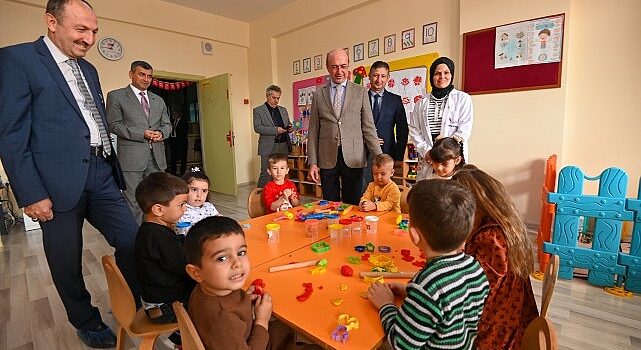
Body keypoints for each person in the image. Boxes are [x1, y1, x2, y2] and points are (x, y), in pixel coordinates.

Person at [0, 0, 139, 347]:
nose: (89, 38)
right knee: (65, 259)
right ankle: (86, 320)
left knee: (132, 239)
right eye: (81, 29)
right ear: (51, 21)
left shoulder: (89, 70)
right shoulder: (17, 60)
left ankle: (135, 302)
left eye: (94, 30)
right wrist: (30, 193)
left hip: (101, 171)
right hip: (53, 181)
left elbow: (90, 120)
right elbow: (11, 133)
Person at [366, 180, 490, 349]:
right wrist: (410, 294)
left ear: (414, 236)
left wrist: (385, 304)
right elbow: (449, 309)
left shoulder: (427, 285)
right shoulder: (475, 267)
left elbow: (401, 343)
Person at [452, 165, 538, 349]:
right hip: (505, 316)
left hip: (496, 327)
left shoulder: (491, 238)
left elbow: (475, 290)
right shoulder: (497, 226)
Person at [184, 216, 272, 349]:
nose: (237, 263)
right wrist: (262, 321)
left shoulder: (209, 288)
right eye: (222, 258)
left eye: (241, 252)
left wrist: (244, 299)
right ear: (196, 273)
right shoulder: (222, 319)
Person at [307, 48, 382, 205]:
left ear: (348, 66)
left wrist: (379, 157)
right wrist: (313, 162)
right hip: (327, 156)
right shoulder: (318, 95)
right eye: (334, 66)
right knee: (329, 203)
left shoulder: (360, 92)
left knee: (354, 202)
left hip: (354, 156)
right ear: (328, 68)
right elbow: (313, 131)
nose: (339, 71)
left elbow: (368, 127)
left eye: (343, 66)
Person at [106, 60, 172, 222]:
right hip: (131, 158)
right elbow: (113, 125)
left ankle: (155, 233)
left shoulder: (158, 100)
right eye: (142, 74)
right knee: (134, 200)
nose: (146, 79)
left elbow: (167, 125)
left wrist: (160, 133)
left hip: (157, 157)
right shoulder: (116, 96)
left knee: (158, 198)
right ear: (131, 74)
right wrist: (142, 133)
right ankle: (135, 239)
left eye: (149, 76)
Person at [134, 172, 195, 322]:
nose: (185, 209)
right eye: (181, 205)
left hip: (158, 302)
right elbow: (186, 266)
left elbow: (176, 244)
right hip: (166, 308)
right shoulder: (156, 237)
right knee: (214, 296)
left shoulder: (151, 230)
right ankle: (184, 337)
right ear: (159, 210)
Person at [408, 56, 473, 180]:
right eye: (437, 73)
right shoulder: (421, 103)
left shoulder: (462, 98)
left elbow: (465, 128)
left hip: (451, 156)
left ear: (452, 74)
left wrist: (445, 151)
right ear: (432, 77)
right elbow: (414, 130)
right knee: (428, 192)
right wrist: (427, 152)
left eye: (446, 73)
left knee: (453, 192)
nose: (442, 77)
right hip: (428, 156)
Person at [363, 61, 408, 190]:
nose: (379, 80)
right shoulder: (360, 98)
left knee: (385, 191)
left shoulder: (395, 100)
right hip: (363, 153)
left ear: (388, 77)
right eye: (375, 75)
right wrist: (368, 139)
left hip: (387, 152)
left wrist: (398, 157)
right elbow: (352, 126)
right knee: (365, 190)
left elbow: (402, 130)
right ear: (369, 76)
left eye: (383, 76)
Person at [253, 85, 293, 188]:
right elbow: (258, 128)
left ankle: (283, 197)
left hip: (283, 145)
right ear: (267, 96)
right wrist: (276, 130)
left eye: (278, 98)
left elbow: (287, 123)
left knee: (282, 174)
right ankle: (258, 199)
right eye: (274, 98)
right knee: (266, 174)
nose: (276, 101)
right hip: (268, 147)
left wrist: (290, 128)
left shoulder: (283, 110)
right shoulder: (258, 110)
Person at [168, 109, 189, 176]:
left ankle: (182, 173)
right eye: (173, 114)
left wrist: (175, 128)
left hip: (181, 143)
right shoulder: (171, 121)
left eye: (175, 114)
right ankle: (173, 173)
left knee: (183, 158)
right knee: (173, 158)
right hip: (173, 143)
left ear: (178, 114)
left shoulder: (184, 121)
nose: (173, 115)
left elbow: (185, 132)